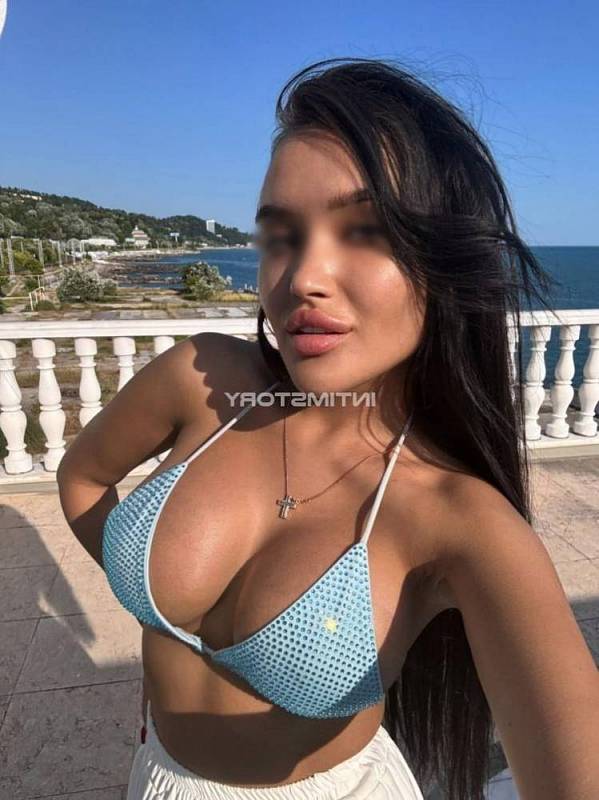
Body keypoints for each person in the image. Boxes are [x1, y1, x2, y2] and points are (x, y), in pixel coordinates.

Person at [56, 57, 599, 800]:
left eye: (365, 231)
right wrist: (146, 597)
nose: (302, 277)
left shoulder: (456, 520)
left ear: (445, 262)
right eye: (280, 236)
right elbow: (83, 476)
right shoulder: (205, 384)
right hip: (155, 778)